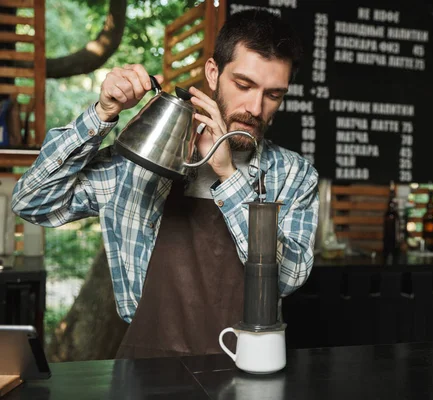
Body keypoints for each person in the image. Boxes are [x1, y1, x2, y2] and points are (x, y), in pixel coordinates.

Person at [11, 9, 319, 358]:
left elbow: (287, 278)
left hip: (247, 369)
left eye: (274, 95)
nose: (255, 107)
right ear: (213, 73)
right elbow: (32, 201)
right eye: (244, 85)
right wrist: (102, 113)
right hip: (145, 369)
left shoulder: (294, 175)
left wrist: (229, 175)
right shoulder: (140, 161)